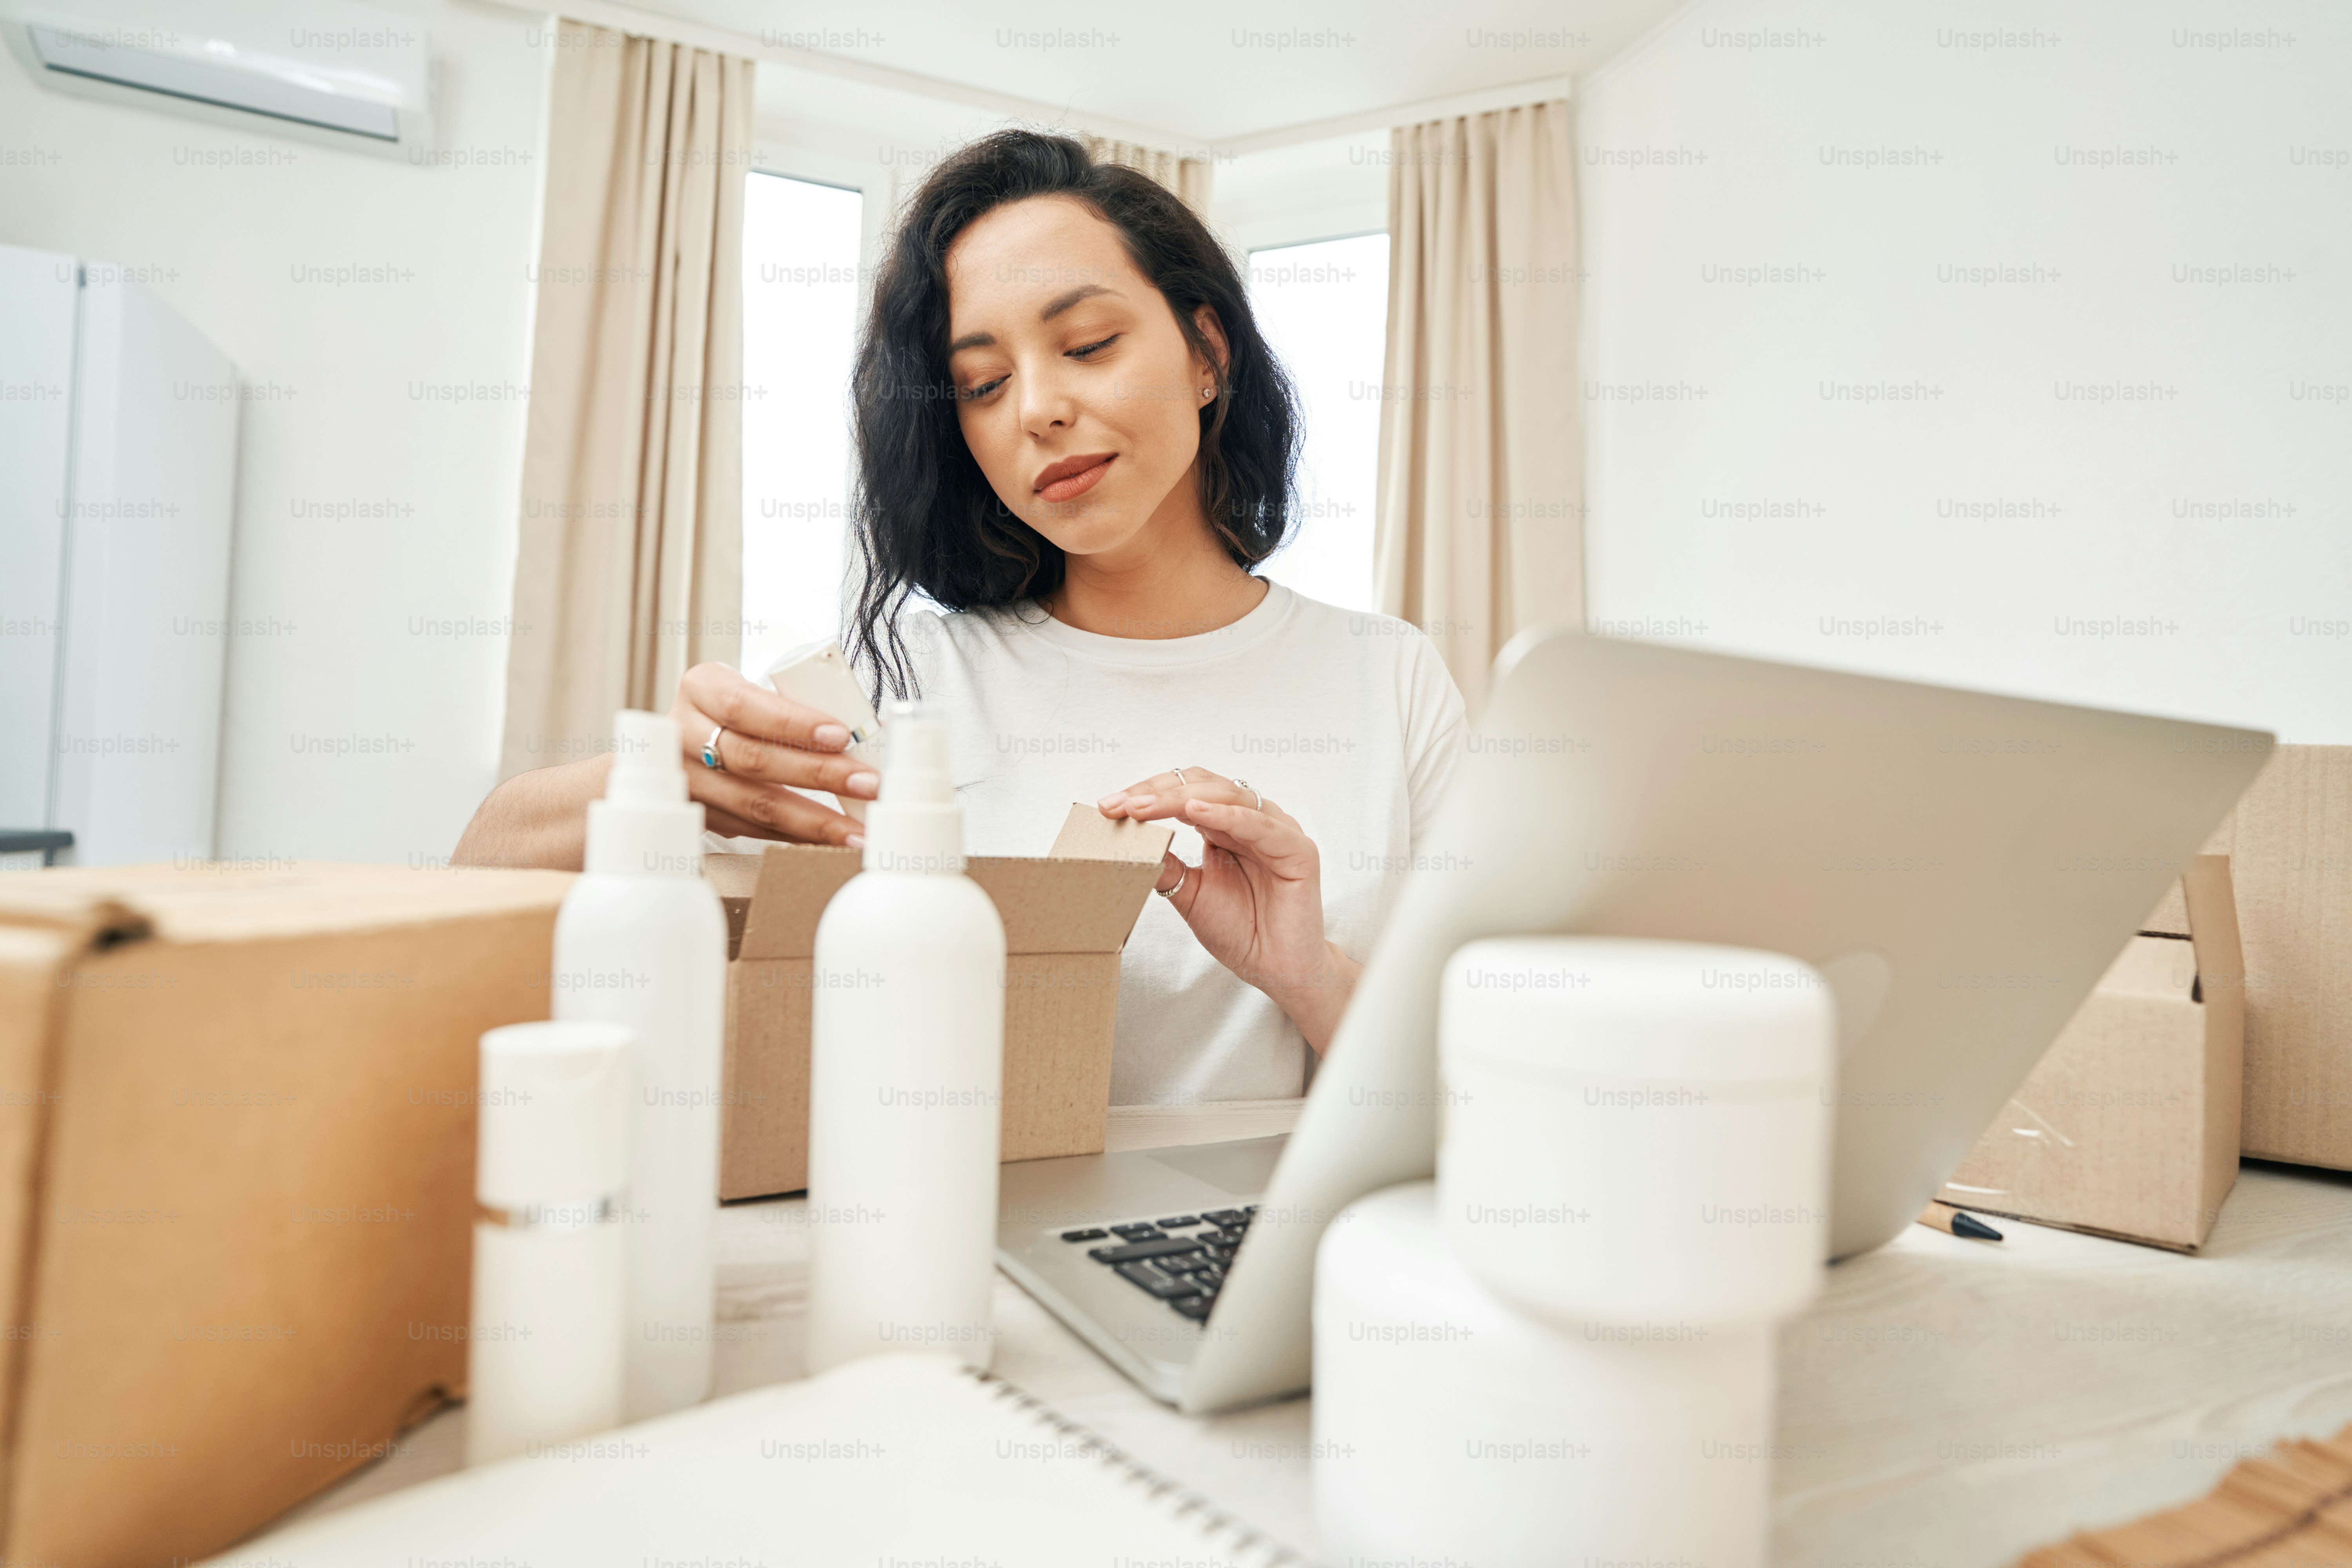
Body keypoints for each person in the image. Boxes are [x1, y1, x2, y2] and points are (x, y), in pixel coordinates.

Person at [456, 130, 1465, 1105]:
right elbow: (475, 878)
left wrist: (1306, 973)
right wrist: (658, 779)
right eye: (984, 383)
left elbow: (1468, 1088)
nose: (1037, 409)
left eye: (1087, 343)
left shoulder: (1389, 677)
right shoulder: (892, 682)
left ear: (1207, 351)